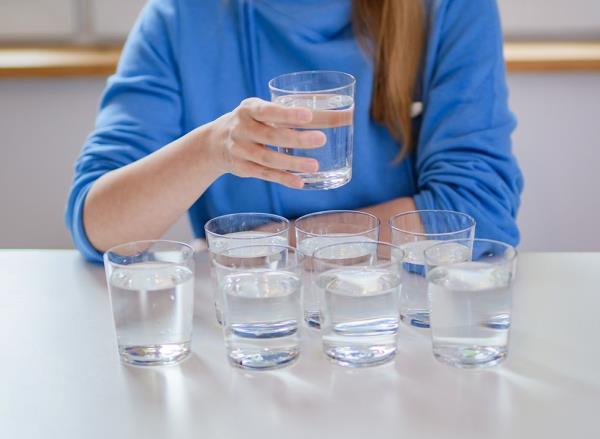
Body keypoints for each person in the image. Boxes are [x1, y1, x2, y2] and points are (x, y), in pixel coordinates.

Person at [66, 0, 523, 262]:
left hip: (396, 320)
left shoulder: (448, 8)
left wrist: (259, 243)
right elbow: (103, 228)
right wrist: (211, 148)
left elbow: (476, 213)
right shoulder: (180, 18)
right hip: (254, 321)